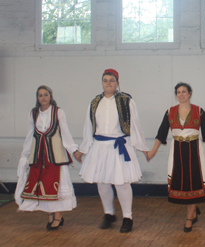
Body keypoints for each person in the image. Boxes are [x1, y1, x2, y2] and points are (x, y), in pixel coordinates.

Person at [77, 69, 149, 233]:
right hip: (100, 146)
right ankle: (109, 214)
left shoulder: (126, 101)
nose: (108, 83)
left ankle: (127, 217)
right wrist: (83, 149)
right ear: (102, 83)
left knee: (122, 183)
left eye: (111, 80)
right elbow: (89, 127)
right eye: (105, 80)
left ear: (117, 82)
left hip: (120, 145)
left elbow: (135, 125)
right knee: (102, 183)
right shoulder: (94, 102)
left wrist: (142, 147)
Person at [147, 82, 205, 232]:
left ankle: (189, 217)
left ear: (190, 93)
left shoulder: (199, 111)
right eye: (178, 92)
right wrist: (152, 152)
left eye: (184, 91)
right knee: (182, 183)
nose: (181, 94)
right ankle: (193, 211)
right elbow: (161, 134)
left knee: (194, 182)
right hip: (177, 151)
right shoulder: (170, 111)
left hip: (194, 150)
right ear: (176, 95)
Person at [15, 85, 83, 230]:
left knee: (55, 187)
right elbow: (30, 135)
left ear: (50, 96)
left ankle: (58, 216)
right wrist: (25, 155)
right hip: (39, 157)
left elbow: (65, 133)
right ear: (37, 98)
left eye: (46, 95)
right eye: (40, 95)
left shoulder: (58, 112)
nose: (43, 98)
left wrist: (74, 150)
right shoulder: (33, 113)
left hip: (55, 157)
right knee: (44, 187)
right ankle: (50, 215)